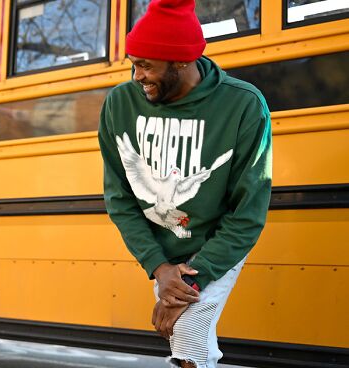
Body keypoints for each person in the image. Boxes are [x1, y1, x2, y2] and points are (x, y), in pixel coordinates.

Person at [97, 0, 272, 367]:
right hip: (164, 248)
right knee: (190, 340)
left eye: (145, 65)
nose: (136, 76)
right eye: (133, 64)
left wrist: (191, 283)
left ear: (180, 61)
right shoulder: (120, 104)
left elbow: (247, 212)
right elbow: (120, 198)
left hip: (218, 242)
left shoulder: (243, 105)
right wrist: (159, 268)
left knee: (188, 332)